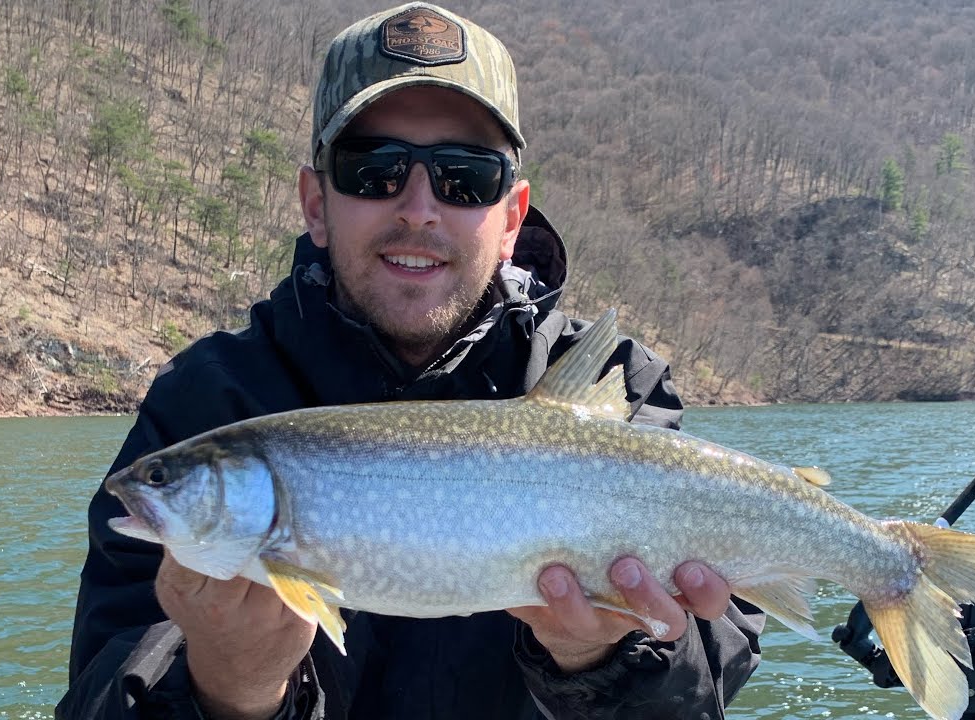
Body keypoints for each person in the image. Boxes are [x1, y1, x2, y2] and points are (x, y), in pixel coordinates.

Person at [58, 3, 765, 718]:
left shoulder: (617, 379)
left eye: (464, 176)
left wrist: (602, 661)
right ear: (316, 204)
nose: (419, 208)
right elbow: (98, 693)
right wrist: (231, 691)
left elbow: (702, 689)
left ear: (513, 216)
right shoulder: (209, 400)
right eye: (374, 169)